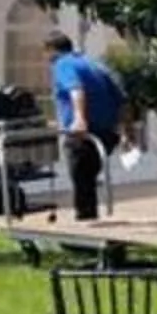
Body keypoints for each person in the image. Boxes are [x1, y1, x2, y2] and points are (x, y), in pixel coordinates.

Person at [47, 33, 126, 222]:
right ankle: (90, 217)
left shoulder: (63, 64)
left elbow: (76, 89)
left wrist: (79, 120)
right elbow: (121, 97)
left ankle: (86, 223)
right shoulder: (93, 63)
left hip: (84, 134)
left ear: (51, 51)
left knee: (82, 179)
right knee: (88, 180)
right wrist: (124, 127)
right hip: (106, 133)